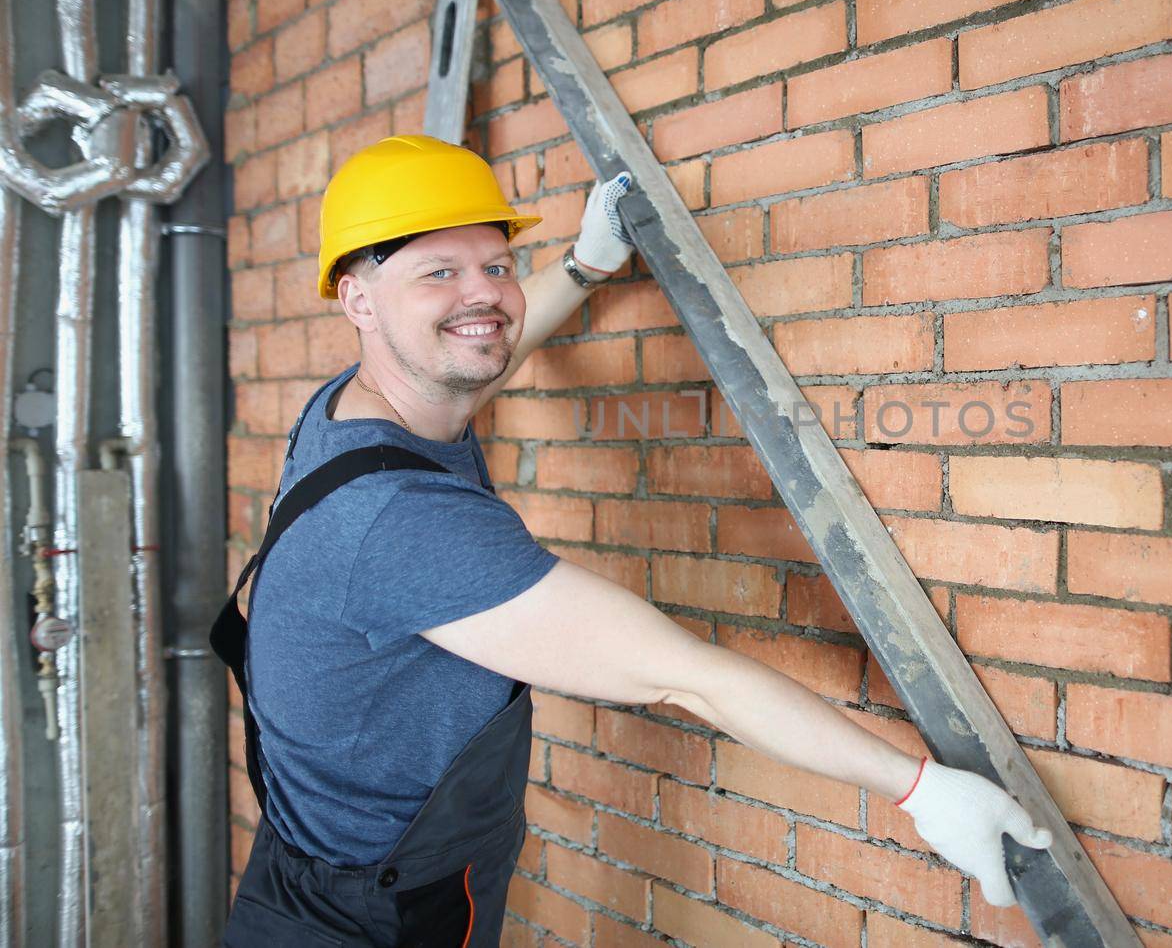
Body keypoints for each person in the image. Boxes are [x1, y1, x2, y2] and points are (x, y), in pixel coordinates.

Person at [211, 134, 1052, 947]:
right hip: (370, 917)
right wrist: (918, 788)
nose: (484, 294)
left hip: (316, 866)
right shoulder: (400, 523)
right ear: (358, 299)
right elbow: (686, 677)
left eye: (495, 265)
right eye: (439, 272)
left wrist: (583, 264)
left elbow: (487, 343)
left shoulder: (360, 406)